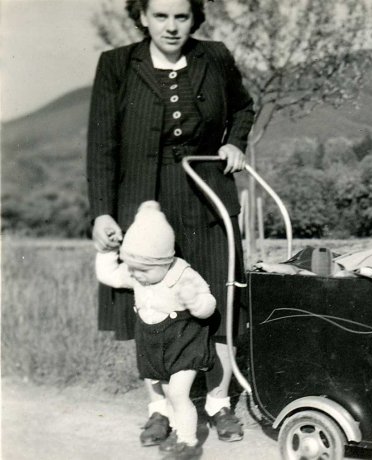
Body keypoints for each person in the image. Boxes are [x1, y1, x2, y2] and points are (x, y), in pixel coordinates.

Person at [87, 0, 254, 448]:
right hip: (142, 200)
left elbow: (242, 108)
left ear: (194, 19)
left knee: (218, 295)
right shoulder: (117, 65)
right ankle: (159, 409)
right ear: (142, 16)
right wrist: (102, 210)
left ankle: (218, 401)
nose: (171, 26)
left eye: (181, 16)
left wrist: (235, 144)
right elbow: (101, 142)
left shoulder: (214, 56)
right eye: (160, 15)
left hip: (206, 192)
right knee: (148, 300)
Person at [96, 201, 216, 459]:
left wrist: (195, 302)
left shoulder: (182, 274)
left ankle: (188, 442)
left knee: (178, 393)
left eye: (144, 270)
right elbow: (109, 275)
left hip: (184, 342)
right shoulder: (138, 271)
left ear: (166, 260)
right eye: (132, 269)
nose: (136, 276)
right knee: (166, 391)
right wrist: (107, 251)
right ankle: (176, 432)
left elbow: (209, 305)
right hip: (155, 342)